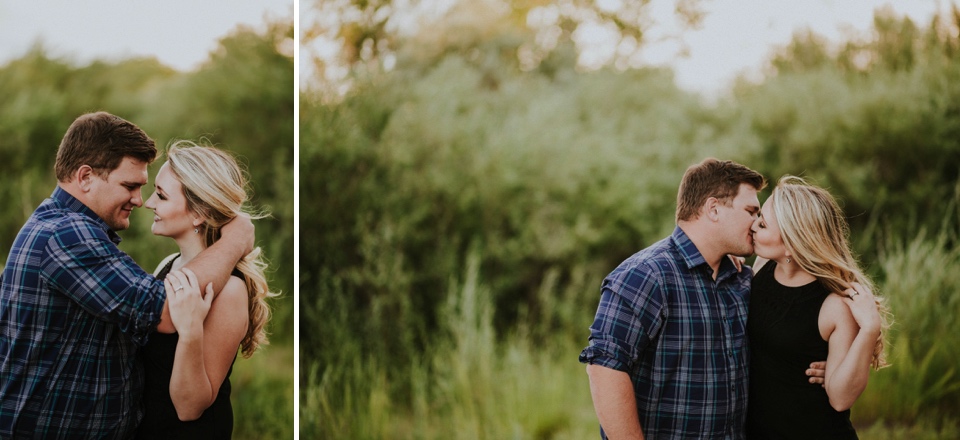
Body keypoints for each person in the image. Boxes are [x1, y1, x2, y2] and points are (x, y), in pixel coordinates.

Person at [0, 112, 253, 440]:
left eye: (154, 192)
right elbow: (164, 309)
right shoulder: (67, 234)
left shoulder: (64, 229)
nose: (140, 200)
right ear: (86, 177)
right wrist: (235, 240)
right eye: (130, 186)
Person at [579, 158, 766, 439]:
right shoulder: (646, 275)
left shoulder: (741, 279)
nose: (757, 223)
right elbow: (604, 369)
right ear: (713, 209)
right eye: (751, 211)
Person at [135, 141, 277, 439]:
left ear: (198, 213)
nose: (148, 203)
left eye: (161, 196)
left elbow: (190, 407)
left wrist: (190, 333)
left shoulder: (230, 291)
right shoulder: (168, 264)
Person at [746, 175, 890, 439]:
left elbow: (839, 399)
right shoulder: (762, 267)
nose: (753, 225)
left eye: (763, 224)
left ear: (792, 243)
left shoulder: (835, 305)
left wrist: (869, 329)